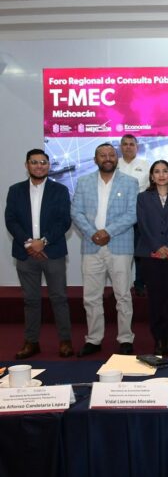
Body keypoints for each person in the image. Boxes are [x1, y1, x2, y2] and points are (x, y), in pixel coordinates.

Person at [5, 148, 74, 359]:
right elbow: (11, 220)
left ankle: (65, 341)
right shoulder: (15, 190)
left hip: (52, 251)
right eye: (34, 162)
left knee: (59, 298)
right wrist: (30, 244)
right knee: (31, 300)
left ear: (48, 166)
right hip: (25, 253)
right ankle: (31, 342)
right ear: (27, 165)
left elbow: (64, 221)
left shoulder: (60, 190)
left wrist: (42, 242)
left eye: (43, 162)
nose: (39, 166)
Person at [71, 143, 138, 356]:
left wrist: (107, 231)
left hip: (120, 245)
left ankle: (125, 338)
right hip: (91, 245)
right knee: (91, 296)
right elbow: (76, 212)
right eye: (103, 155)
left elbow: (132, 213)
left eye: (111, 155)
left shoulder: (130, 182)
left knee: (123, 295)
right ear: (95, 159)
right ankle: (93, 339)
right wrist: (93, 233)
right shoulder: (83, 182)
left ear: (117, 158)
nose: (108, 158)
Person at [135, 160, 168, 355]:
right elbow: (143, 225)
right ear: (152, 176)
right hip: (150, 253)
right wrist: (157, 246)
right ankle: (158, 337)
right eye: (157, 171)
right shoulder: (143, 198)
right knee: (155, 298)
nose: (161, 175)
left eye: (165, 171)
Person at [117, 134, 149, 297]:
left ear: (137, 147)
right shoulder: (114, 165)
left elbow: (151, 190)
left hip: (140, 215)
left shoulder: (146, 165)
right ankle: (120, 286)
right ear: (120, 147)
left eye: (131, 144)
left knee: (140, 252)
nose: (128, 147)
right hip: (117, 217)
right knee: (120, 253)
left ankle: (140, 283)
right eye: (125, 144)